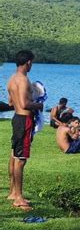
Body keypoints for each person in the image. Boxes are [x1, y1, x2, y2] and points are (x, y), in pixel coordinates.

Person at [6, 50, 43, 211]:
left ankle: (13, 192)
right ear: (28, 62)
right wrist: (39, 105)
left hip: (16, 119)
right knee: (21, 159)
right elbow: (24, 103)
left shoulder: (11, 79)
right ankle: (18, 198)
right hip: (24, 120)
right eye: (31, 63)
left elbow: (10, 102)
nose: (31, 65)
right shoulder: (23, 80)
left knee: (14, 155)